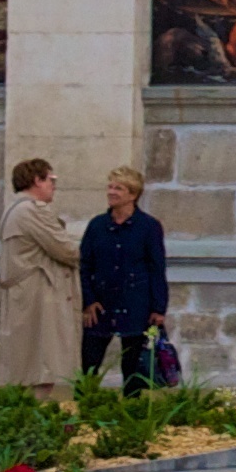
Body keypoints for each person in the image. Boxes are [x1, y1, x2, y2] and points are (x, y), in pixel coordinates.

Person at [0, 155, 78, 394]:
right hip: (36, 295)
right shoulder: (32, 210)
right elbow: (65, 249)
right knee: (40, 362)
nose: (53, 185)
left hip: (24, 294)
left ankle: (23, 416)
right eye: (51, 179)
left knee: (25, 362)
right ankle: (32, 418)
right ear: (37, 180)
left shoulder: (14, 209)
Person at [77, 167, 171, 394]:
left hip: (135, 302)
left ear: (132, 194)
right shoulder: (97, 225)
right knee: (89, 362)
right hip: (101, 303)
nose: (111, 192)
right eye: (110, 187)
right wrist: (88, 300)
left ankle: (131, 414)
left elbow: (157, 268)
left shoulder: (149, 227)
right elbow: (84, 265)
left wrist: (159, 308)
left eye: (118, 188)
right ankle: (85, 410)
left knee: (133, 366)